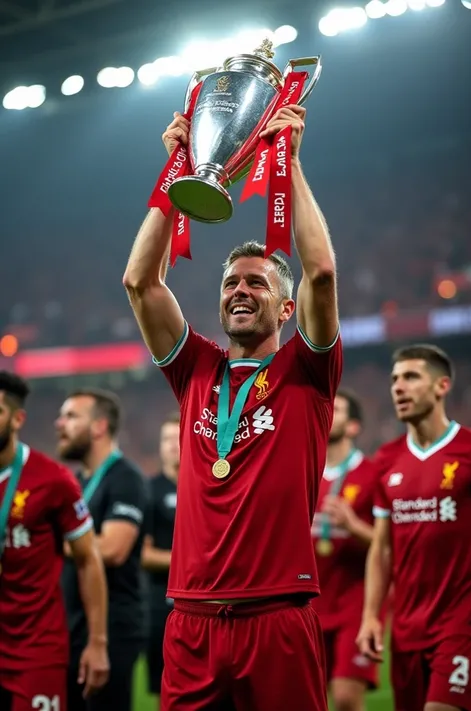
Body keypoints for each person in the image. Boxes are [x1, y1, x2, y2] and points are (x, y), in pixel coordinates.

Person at [123, 103, 342, 711]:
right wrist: (177, 170)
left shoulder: (306, 371)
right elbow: (141, 282)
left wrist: (290, 163)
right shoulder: (196, 369)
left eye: (257, 284)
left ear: (285, 308)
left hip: (276, 615)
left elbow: (320, 271)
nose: (240, 291)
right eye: (230, 284)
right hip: (190, 619)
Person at [357, 344, 471, 711]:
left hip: (462, 622)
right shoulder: (387, 460)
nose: (398, 388)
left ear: (441, 386)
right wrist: (371, 617)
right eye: (394, 380)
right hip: (406, 630)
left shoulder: (470, 451)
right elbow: (382, 548)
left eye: (411, 377)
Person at [0, 371, 109, 711]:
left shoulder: (52, 480)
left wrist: (97, 642)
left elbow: (88, 558)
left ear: (17, 419)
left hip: (34, 650)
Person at [56, 387, 147, 711]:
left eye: (71, 416)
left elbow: (112, 548)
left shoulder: (126, 478)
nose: (59, 424)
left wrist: (48, 541)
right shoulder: (77, 482)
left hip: (112, 631)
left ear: (99, 426)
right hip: (75, 627)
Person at [312, 388, 379, 711]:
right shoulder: (304, 472)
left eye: (336, 410)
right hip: (308, 602)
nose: (328, 414)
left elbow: (389, 544)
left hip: (355, 601)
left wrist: (353, 526)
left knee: (346, 698)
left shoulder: (372, 474)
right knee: (304, 698)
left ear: (353, 426)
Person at [142, 412, 180, 703]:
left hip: (205, 599)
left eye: (176, 438)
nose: (171, 445)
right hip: (159, 601)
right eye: (165, 439)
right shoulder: (148, 490)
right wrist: (192, 561)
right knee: (163, 688)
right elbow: (144, 554)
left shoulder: (209, 485)